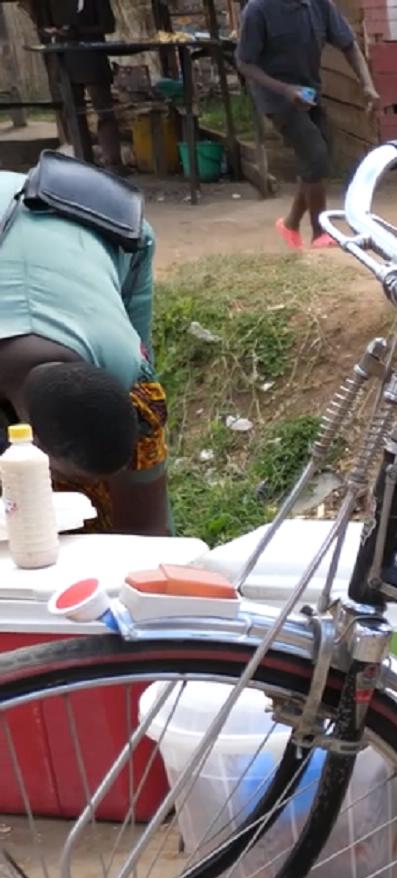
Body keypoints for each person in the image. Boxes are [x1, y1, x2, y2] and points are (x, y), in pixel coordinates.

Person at [0, 167, 170, 536]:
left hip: (106, 231)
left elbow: (152, 532)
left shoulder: (127, 366)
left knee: (143, 436)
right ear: (36, 441)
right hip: (21, 214)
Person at [235, 0, 378, 250]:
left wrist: (367, 85)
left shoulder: (319, 5)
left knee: (317, 160)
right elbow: (245, 63)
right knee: (315, 154)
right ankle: (319, 233)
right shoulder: (258, 10)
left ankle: (290, 224)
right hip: (275, 97)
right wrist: (286, 90)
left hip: (309, 92)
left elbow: (349, 45)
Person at [29, 0, 123, 170]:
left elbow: (108, 25)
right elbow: (43, 26)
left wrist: (78, 31)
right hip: (64, 60)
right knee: (74, 113)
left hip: (91, 57)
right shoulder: (49, 3)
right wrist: (54, 31)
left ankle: (113, 162)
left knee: (104, 110)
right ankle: (84, 162)